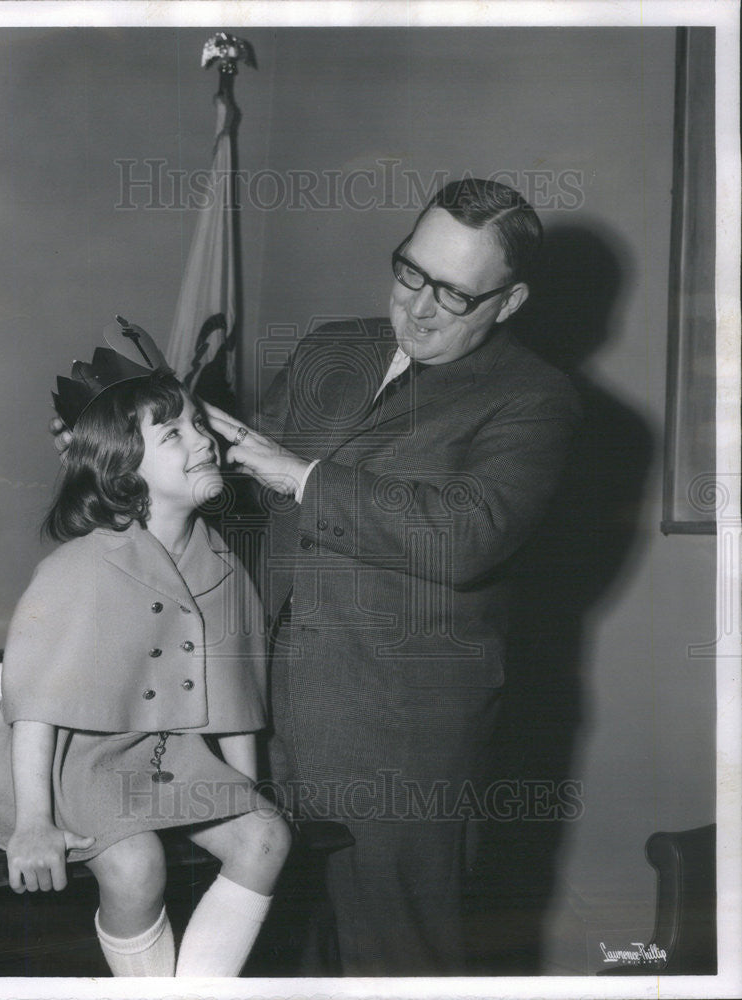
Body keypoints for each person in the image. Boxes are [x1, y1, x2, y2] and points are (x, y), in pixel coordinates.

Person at [201, 178, 582, 975]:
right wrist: (133, 458)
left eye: (454, 294)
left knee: (395, 959)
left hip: (398, 740)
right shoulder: (329, 348)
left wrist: (302, 477)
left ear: (508, 303)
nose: (419, 308)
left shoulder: (536, 400)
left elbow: (469, 533)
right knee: (269, 952)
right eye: (410, 272)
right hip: (259, 713)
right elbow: (243, 495)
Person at [0, 331, 291, 978]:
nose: (204, 440)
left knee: (265, 837)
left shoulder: (222, 566)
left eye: (199, 424)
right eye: (174, 435)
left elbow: (235, 698)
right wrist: (35, 821)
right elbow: (33, 706)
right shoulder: (77, 568)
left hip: (172, 759)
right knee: (136, 863)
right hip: (74, 762)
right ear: (124, 471)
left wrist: (244, 787)